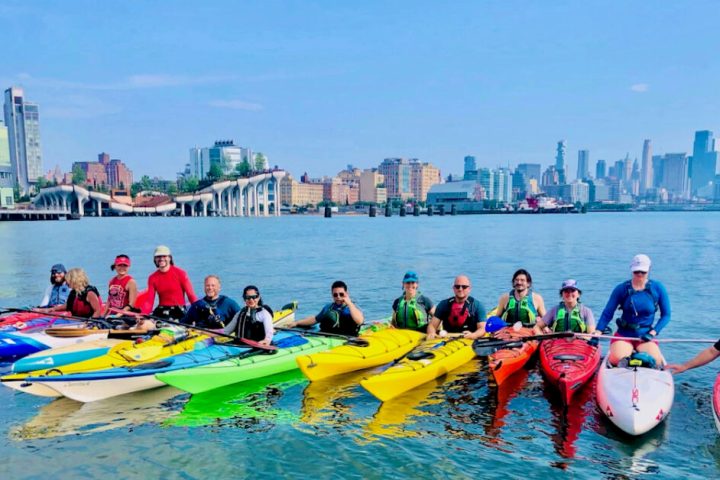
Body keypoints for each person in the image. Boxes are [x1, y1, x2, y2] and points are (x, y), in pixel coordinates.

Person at [595, 254, 671, 367]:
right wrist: (597, 332)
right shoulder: (621, 289)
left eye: (643, 272)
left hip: (645, 336)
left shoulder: (658, 288)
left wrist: (653, 332)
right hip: (624, 335)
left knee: (656, 361)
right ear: (632, 270)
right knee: (617, 360)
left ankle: (638, 360)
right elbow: (607, 313)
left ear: (649, 269)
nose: (640, 274)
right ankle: (630, 360)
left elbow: (666, 315)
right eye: (636, 272)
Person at [288, 280, 364, 336]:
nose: (338, 297)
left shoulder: (352, 308)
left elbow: (359, 321)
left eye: (341, 294)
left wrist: (350, 304)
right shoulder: (328, 307)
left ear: (347, 293)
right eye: (335, 295)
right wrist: (296, 323)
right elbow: (315, 319)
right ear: (332, 295)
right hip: (327, 337)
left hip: (346, 338)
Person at [146, 245, 198, 320]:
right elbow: (149, 301)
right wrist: (144, 314)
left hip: (178, 311)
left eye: (164, 256)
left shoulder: (181, 273)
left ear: (170, 258)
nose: (161, 259)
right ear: (155, 259)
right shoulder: (152, 277)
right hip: (161, 310)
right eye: (158, 257)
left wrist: (198, 310)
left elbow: (191, 296)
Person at [427, 275, 486, 340]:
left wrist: (474, 335)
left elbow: (482, 328)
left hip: (469, 340)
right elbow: (432, 325)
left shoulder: (478, 306)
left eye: (464, 287)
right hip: (447, 339)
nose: (460, 289)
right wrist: (431, 332)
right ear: (453, 288)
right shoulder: (443, 304)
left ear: (469, 289)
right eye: (457, 287)